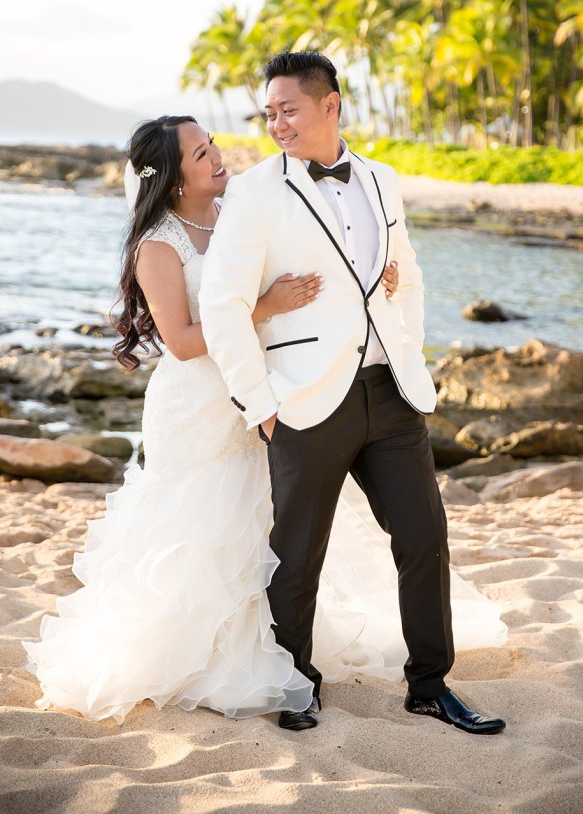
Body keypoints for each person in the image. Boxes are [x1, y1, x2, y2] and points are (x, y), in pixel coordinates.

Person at [22, 114, 403, 724]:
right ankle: (199, 660)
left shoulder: (240, 214)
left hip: (260, 392)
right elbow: (180, 342)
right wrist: (265, 305)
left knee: (262, 529)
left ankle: (272, 649)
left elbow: (312, 268)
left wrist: (374, 280)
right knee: (201, 531)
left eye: (213, 144)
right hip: (195, 409)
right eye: (202, 154)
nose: (219, 156)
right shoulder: (158, 245)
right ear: (175, 179)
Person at [200, 52, 507, 735]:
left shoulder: (381, 179)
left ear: (329, 105)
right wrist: (261, 404)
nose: (276, 123)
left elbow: (407, 275)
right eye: (269, 112)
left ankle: (430, 684)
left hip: (389, 391)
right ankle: (294, 683)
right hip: (304, 399)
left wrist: (408, 351)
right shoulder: (253, 192)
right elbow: (223, 305)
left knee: (424, 535)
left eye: (289, 109)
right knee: (297, 553)